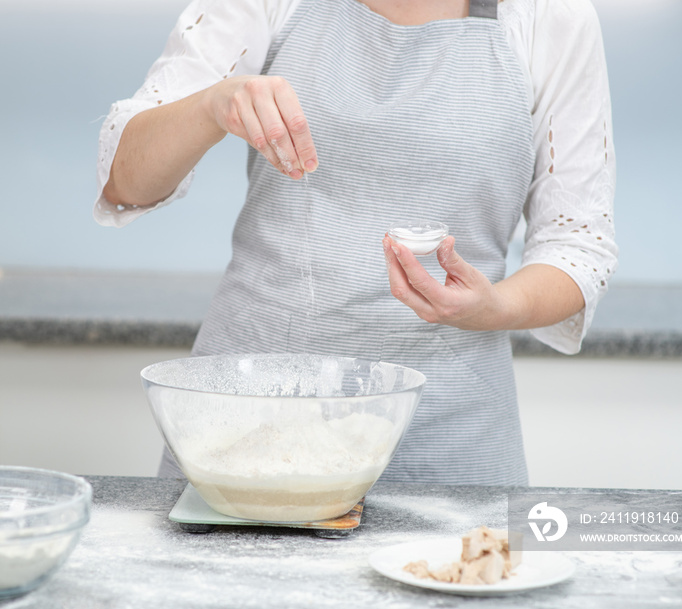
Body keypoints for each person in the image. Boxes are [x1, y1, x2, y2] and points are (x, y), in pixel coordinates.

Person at [94, 0, 618, 485]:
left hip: (452, 439)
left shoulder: (551, 17)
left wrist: (494, 305)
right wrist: (212, 105)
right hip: (248, 425)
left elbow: (578, 247)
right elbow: (126, 181)